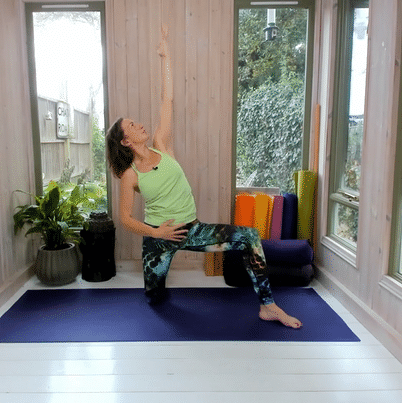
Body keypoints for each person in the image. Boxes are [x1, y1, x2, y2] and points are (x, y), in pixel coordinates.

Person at [105, 25, 302, 329]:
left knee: (249, 236)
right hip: (159, 240)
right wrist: (157, 234)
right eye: (131, 125)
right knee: (154, 298)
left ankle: (268, 306)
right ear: (125, 141)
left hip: (192, 230)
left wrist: (166, 57)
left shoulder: (162, 145)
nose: (139, 124)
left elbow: (167, 100)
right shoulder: (129, 175)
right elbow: (125, 218)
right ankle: (156, 286)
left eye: (136, 121)